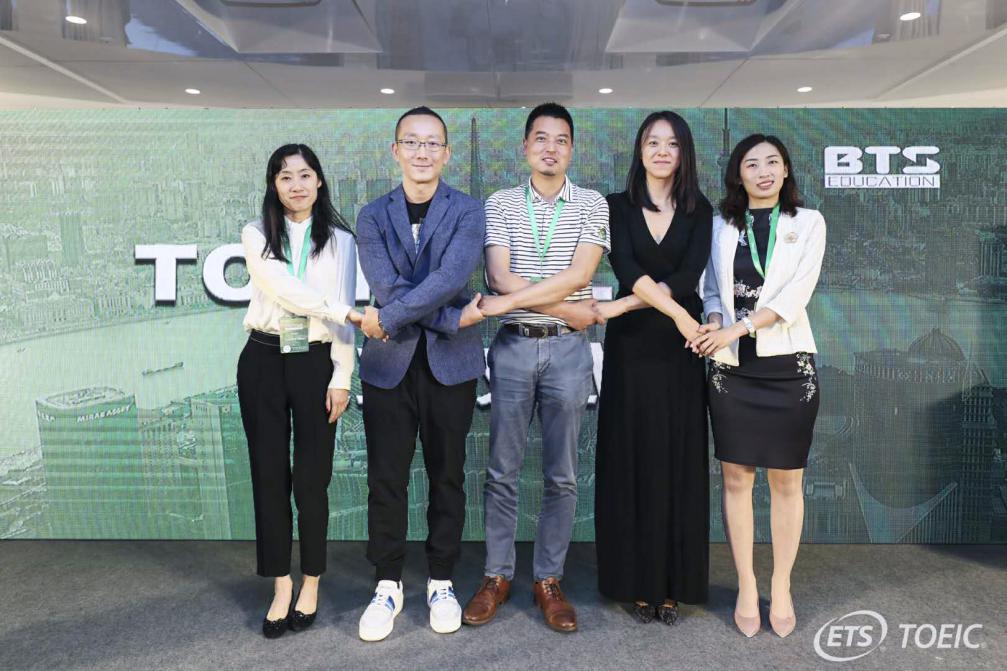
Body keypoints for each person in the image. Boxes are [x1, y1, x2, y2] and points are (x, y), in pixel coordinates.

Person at [464, 102, 607, 633]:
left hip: (568, 353)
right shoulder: (500, 203)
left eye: (561, 139)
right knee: (501, 470)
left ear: (572, 149)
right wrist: (567, 309)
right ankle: (496, 576)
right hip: (514, 348)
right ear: (525, 147)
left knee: (561, 475)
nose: (551, 148)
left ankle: (548, 579)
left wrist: (548, 306)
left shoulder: (591, 203)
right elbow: (499, 277)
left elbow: (581, 273)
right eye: (541, 138)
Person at [354, 106, 486, 642]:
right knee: (385, 478)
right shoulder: (371, 215)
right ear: (396, 151)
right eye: (412, 142)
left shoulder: (469, 210)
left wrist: (391, 318)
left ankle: (441, 580)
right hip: (389, 366)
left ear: (447, 153)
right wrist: (451, 317)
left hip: (450, 365)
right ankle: (387, 583)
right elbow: (386, 286)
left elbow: (452, 277)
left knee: (447, 476)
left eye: (433, 143)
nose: (422, 152)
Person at [691, 134, 826, 639]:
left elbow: (796, 295)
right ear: (738, 175)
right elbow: (711, 289)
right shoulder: (719, 226)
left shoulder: (808, 222)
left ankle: (782, 584)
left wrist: (737, 328)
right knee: (736, 480)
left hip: (788, 366)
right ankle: (747, 584)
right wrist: (713, 322)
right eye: (752, 164)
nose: (764, 171)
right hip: (731, 370)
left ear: (786, 170)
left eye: (773, 162)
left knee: (787, 481)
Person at [591, 111, 712, 625]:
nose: (662, 151)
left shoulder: (700, 209)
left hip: (681, 353)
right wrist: (680, 315)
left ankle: (672, 583)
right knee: (630, 457)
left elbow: (688, 274)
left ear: (684, 153)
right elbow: (627, 268)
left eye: (672, 143)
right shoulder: (616, 206)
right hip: (633, 348)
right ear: (639, 150)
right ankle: (635, 582)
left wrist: (632, 304)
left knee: (676, 459)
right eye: (652, 142)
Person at [237, 143, 360, 639]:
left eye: (305, 175)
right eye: (285, 177)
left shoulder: (342, 241)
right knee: (269, 476)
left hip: (315, 362)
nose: (296, 185)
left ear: (319, 181)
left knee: (312, 480)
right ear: (273, 185)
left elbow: (344, 309)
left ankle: (311, 581)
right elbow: (282, 287)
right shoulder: (255, 234)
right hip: (263, 360)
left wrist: (342, 376)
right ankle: (281, 584)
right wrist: (343, 312)